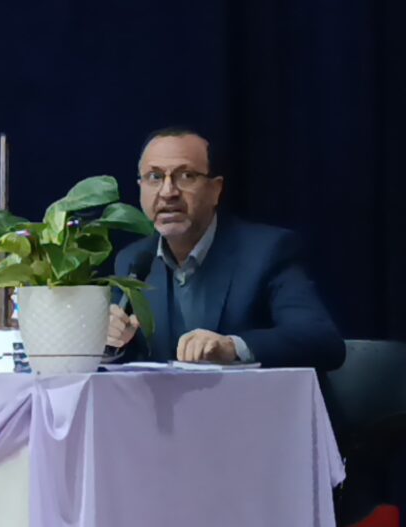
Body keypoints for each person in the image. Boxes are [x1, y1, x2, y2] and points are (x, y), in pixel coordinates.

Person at [108, 127, 345, 370]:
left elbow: (321, 341)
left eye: (186, 176)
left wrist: (232, 348)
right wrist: (113, 343)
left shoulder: (267, 251)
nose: (168, 192)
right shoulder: (132, 261)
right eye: (155, 177)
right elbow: (129, 357)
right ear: (140, 187)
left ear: (216, 189)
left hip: (251, 395)